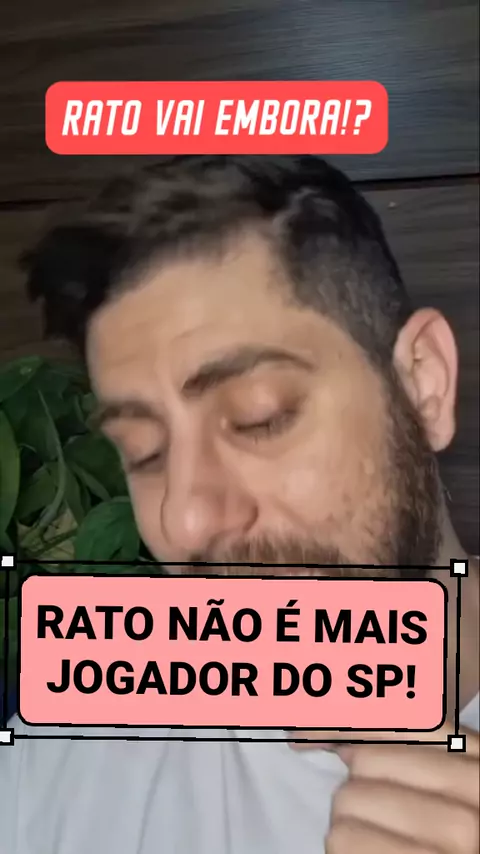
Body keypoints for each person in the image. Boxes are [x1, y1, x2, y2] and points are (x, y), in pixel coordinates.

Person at [1, 155, 478, 853]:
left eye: (259, 417)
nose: (185, 520)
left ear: (422, 384)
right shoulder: (60, 758)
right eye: (144, 453)